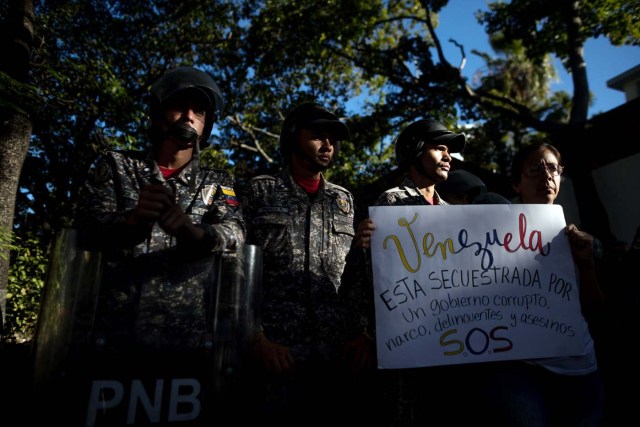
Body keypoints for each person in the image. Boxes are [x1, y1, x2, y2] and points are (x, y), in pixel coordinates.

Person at [74, 66, 246, 351]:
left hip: (187, 340)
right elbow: (84, 230)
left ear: (207, 126)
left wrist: (193, 232)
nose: (189, 116)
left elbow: (236, 234)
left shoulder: (217, 183)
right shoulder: (117, 167)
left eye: (200, 112)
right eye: (180, 106)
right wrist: (132, 222)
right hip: (112, 337)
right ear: (157, 113)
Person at [342, 118, 482, 426]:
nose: (448, 156)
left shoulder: (453, 213)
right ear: (415, 151)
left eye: (450, 151)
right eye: (439, 148)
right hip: (406, 340)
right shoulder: (392, 203)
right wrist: (365, 331)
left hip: (452, 340)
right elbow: (367, 278)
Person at [240, 102, 372, 425]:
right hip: (277, 353)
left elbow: (352, 278)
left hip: (337, 356)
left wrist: (362, 333)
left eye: (333, 139)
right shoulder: (261, 191)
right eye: (318, 136)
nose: (328, 145)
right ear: (292, 137)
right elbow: (238, 267)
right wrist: (255, 338)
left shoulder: (344, 201)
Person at [482, 141, 605, 426]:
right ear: (516, 183)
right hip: (522, 372)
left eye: (553, 168)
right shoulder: (489, 237)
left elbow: (596, 310)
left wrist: (586, 266)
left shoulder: (579, 242)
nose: (546, 176)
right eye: (535, 169)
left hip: (582, 373)